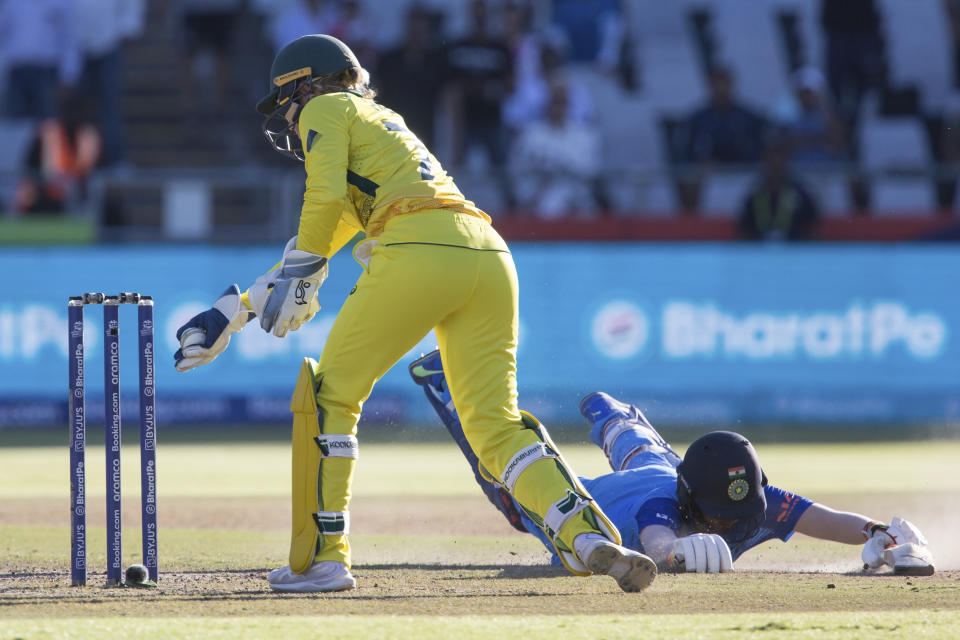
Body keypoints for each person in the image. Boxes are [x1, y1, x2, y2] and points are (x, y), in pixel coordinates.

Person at [172, 34, 655, 594]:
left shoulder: (326, 107)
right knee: (494, 425)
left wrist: (302, 275)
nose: (286, 115)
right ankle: (586, 534)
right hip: (488, 254)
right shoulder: (379, 124)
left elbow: (322, 198)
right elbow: (329, 233)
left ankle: (321, 559)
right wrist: (232, 312)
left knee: (328, 396)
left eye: (286, 100)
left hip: (420, 251)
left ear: (305, 84)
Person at [409, 349, 936, 577]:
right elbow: (658, 546)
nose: (733, 525)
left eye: (739, 513)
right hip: (581, 498)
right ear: (689, 500)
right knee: (506, 485)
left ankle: (615, 418)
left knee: (646, 449)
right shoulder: (664, 505)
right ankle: (443, 382)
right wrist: (677, 554)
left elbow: (822, 518)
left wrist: (881, 533)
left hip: (662, 463)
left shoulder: (748, 498)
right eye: (717, 518)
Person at [738, 146, 820, 241]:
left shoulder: (800, 195)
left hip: (794, 252)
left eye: (780, 159)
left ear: (786, 162)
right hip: (760, 253)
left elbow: (813, 228)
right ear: (766, 163)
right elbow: (743, 231)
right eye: (772, 159)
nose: (776, 163)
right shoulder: (755, 196)